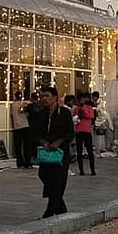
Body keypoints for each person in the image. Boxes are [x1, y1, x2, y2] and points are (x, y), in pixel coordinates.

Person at [33, 86, 75, 218]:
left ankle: (49, 213)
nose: (44, 98)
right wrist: (43, 142)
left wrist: (59, 142)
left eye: (47, 96)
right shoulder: (41, 114)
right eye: (43, 96)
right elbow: (35, 133)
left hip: (60, 153)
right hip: (46, 153)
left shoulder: (64, 113)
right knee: (45, 176)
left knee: (58, 182)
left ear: (55, 98)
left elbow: (70, 132)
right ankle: (61, 211)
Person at [74, 93, 97, 176]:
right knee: (79, 152)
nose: (81, 101)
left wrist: (83, 113)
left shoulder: (89, 108)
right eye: (80, 100)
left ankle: (92, 170)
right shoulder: (76, 109)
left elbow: (92, 116)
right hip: (79, 131)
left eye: (83, 100)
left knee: (90, 151)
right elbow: (74, 119)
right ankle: (81, 170)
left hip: (87, 131)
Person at [10, 91, 32, 169]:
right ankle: (27, 162)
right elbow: (27, 114)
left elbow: (12, 115)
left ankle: (20, 162)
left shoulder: (12, 105)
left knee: (18, 146)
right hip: (25, 125)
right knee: (26, 146)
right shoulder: (24, 104)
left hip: (17, 127)